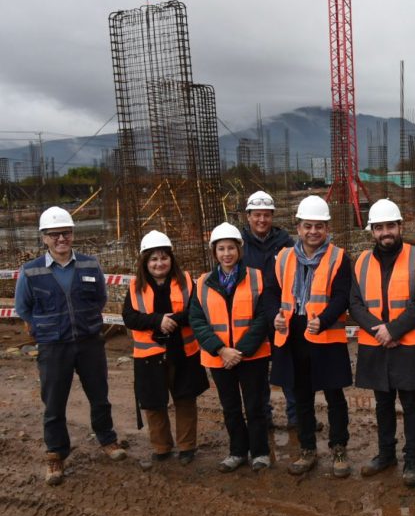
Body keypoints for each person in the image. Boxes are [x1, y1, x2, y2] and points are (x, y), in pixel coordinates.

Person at [15, 207, 127, 486]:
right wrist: (45, 328)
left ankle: (107, 439)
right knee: (54, 404)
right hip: (54, 347)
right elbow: (23, 308)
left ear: (72, 234)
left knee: (99, 396)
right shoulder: (31, 272)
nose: (61, 239)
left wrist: (84, 323)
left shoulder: (90, 265)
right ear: (44, 238)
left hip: (89, 343)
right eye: (54, 235)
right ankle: (56, 454)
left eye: (65, 233)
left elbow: (100, 297)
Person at [349, 199, 415, 487]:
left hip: (409, 345)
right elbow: (355, 303)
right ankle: (386, 453)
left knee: (412, 404)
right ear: (372, 231)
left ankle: (411, 459)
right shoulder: (361, 261)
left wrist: (393, 330)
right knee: (382, 403)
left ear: (400, 226)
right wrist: (379, 331)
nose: (385, 232)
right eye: (379, 228)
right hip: (376, 345)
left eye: (390, 226)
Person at [272, 196, 353, 479]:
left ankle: (339, 447)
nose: (313, 232)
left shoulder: (339, 257)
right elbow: (273, 293)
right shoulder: (283, 257)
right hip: (293, 335)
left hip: (325, 335)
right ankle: (307, 448)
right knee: (301, 396)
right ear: (298, 227)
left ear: (327, 228)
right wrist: (276, 315)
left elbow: (343, 295)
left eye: (319, 226)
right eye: (308, 226)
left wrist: (325, 319)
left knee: (335, 396)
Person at [189, 222, 272, 473]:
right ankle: (237, 451)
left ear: (239, 250)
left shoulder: (256, 278)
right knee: (231, 408)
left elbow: (263, 317)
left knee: (255, 406)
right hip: (219, 358)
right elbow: (197, 319)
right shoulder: (203, 282)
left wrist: (241, 350)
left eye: (231, 248)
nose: (227, 254)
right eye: (221, 249)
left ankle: (260, 452)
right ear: (214, 252)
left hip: (251, 356)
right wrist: (221, 350)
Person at [122, 231, 209, 465]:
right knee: (154, 404)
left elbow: (196, 311)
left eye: (163, 258)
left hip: (183, 353)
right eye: (153, 259)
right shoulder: (134, 287)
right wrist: (157, 321)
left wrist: (173, 320)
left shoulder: (186, 282)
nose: (159, 263)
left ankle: (187, 446)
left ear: (171, 259)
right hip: (150, 356)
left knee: (185, 400)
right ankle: (161, 446)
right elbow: (129, 318)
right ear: (145, 262)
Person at [240, 190, 303, 432]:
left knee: (288, 369)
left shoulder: (285, 243)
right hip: (251, 317)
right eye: (257, 215)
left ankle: (296, 417)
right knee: (256, 372)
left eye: (266, 215)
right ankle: (262, 417)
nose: (262, 220)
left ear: (272, 216)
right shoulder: (240, 245)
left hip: (280, 316)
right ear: (248, 216)